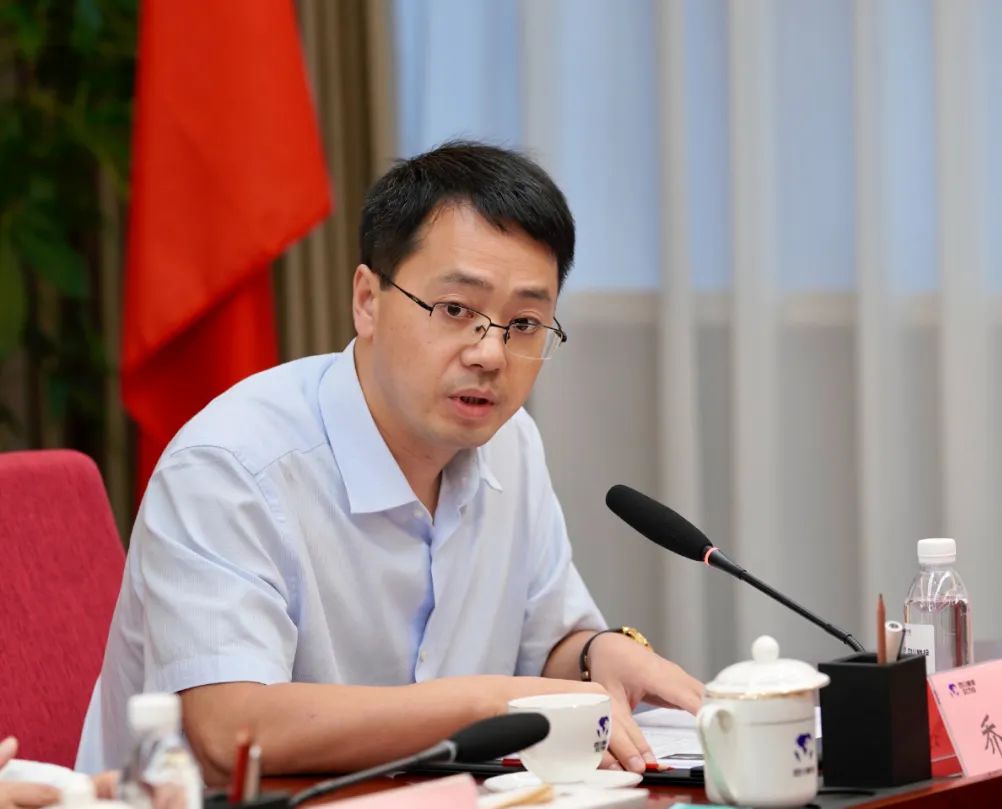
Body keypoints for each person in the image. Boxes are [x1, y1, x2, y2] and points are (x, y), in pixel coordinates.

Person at [77, 141, 703, 784]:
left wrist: (595, 654)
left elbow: (545, 646)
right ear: (367, 301)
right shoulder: (229, 465)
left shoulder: (511, 443)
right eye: (456, 310)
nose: (490, 354)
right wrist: (490, 703)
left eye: (524, 324)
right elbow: (232, 732)